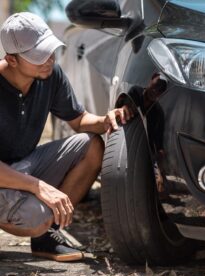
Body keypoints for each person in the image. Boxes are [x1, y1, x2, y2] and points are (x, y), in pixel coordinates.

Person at [0, 12, 132, 262]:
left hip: (22, 166)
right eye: (37, 56)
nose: (48, 59)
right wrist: (38, 187)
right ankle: (41, 222)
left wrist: (105, 120)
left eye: (49, 50)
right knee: (37, 216)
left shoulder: (51, 75)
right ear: (12, 60)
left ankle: (47, 238)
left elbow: (79, 120)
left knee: (92, 146)